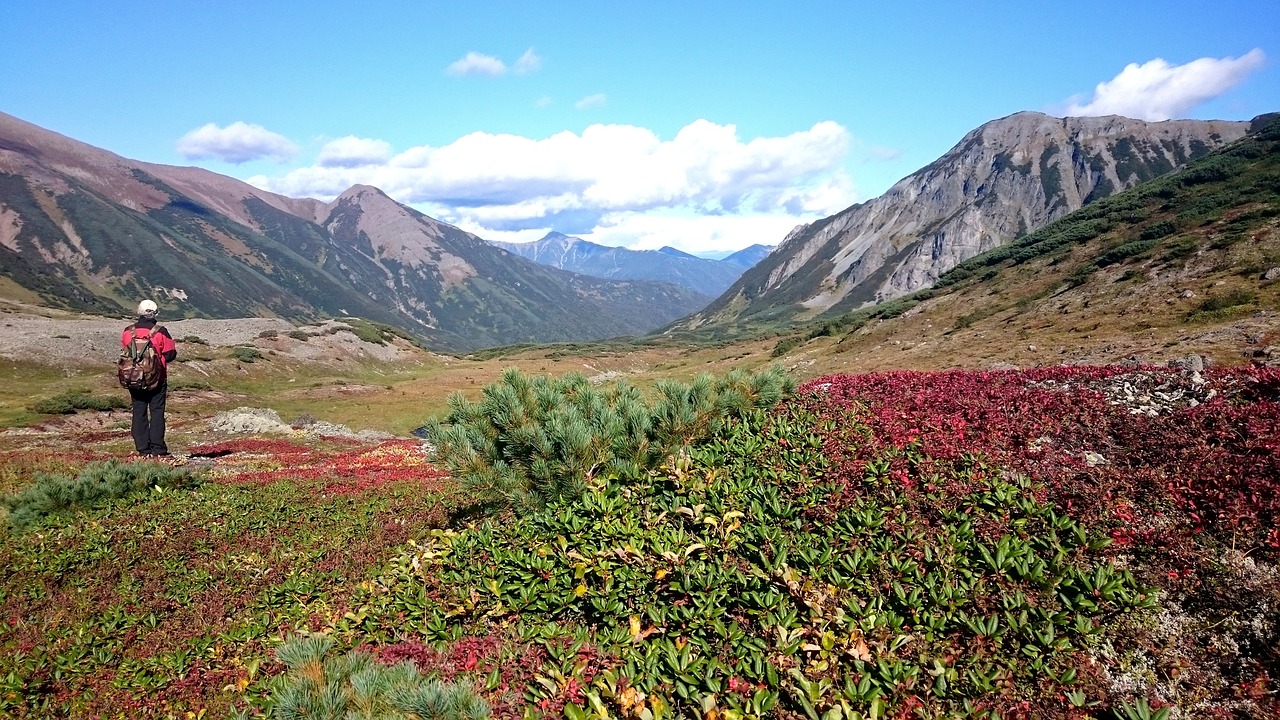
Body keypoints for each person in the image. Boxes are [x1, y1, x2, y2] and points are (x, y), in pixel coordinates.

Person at [122, 299, 178, 456]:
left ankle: (142, 448)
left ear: (138, 312)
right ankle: (158, 449)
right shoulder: (161, 331)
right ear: (155, 313)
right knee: (157, 412)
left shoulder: (128, 331)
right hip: (157, 379)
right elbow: (170, 354)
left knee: (138, 411)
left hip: (134, 378)